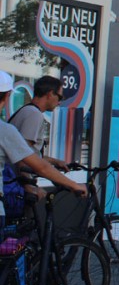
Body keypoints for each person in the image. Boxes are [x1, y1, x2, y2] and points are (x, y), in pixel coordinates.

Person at [0, 71, 87, 204]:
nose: (59, 102)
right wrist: (29, 186)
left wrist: (54, 161)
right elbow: (24, 159)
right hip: (17, 188)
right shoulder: (33, 115)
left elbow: (23, 150)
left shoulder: (26, 111)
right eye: (60, 97)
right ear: (50, 94)